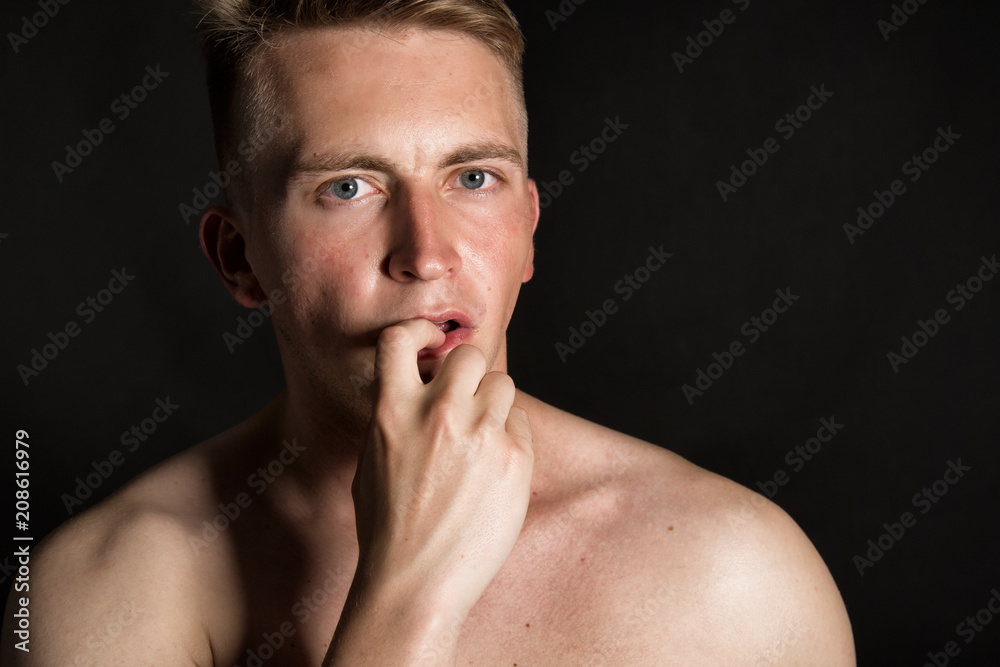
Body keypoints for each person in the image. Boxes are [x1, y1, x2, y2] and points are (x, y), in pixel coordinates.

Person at [2, 1, 855, 664]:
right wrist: (405, 597)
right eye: (348, 187)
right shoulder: (95, 597)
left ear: (527, 229)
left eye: (472, 177)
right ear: (240, 257)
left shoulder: (737, 581)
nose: (427, 252)